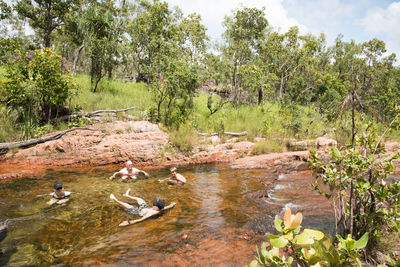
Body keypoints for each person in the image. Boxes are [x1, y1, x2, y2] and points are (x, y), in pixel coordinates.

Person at [110, 189, 175, 226]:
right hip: (145, 208)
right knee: (140, 199)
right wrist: (173, 204)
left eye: (154, 204)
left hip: (138, 211)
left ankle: (114, 199)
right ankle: (127, 195)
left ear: (157, 208)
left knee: (127, 205)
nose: (153, 204)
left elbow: (140, 220)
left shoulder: (150, 213)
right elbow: (169, 206)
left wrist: (128, 223)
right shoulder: (162, 208)